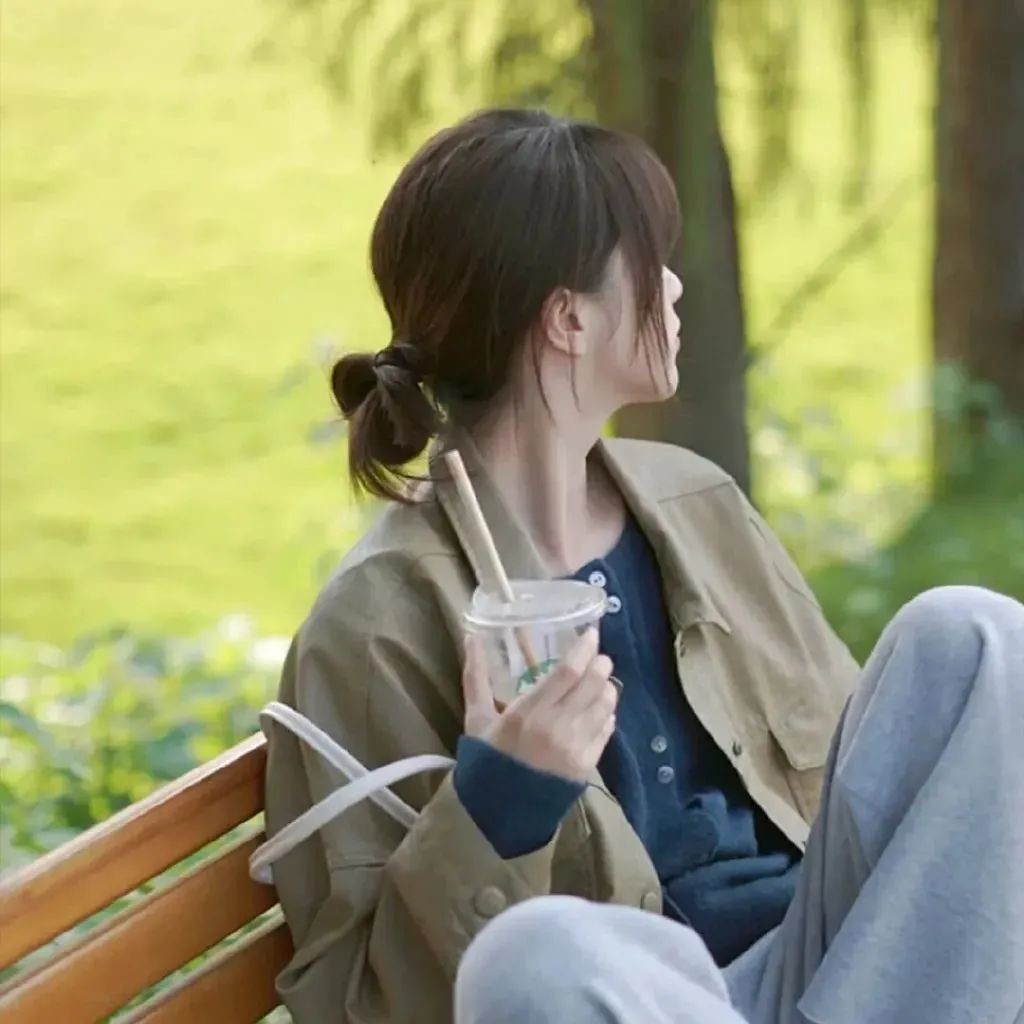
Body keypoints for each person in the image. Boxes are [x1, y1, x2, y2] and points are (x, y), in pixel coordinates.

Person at [263, 108, 1024, 1024]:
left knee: (973, 637)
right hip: (636, 1003)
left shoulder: (695, 500)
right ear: (568, 317)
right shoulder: (376, 624)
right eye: (649, 260)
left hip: (829, 973)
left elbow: (860, 797)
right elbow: (354, 1002)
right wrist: (501, 803)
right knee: (536, 956)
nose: (672, 286)